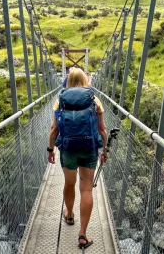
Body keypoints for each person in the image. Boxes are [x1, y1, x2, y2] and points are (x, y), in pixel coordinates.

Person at [47, 68, 108, 249]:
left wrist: (50, 150)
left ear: (68, 81)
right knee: (87, 190)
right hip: (89, 148)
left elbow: (53, 129)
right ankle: (82, 235)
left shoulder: (60, 100)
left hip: (67, 149)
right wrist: (104, 150)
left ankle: (70, 214)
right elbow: (102, 130)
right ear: (85, 81)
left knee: (69, 183)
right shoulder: (94, 100)